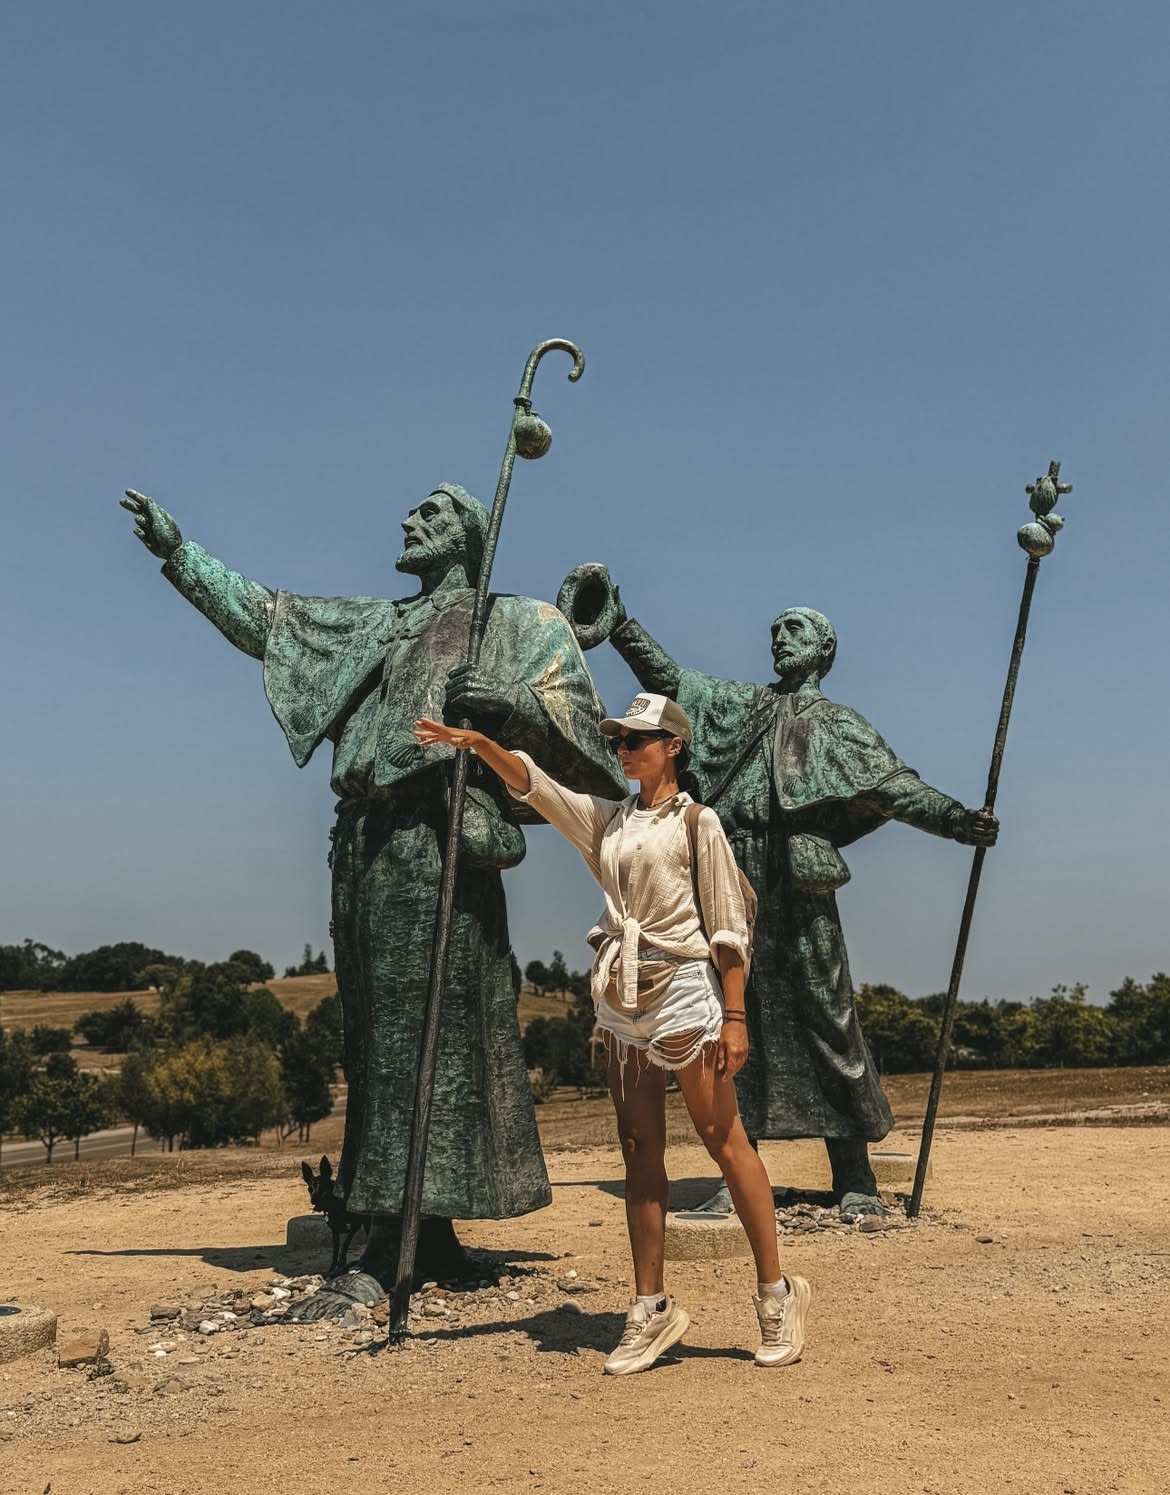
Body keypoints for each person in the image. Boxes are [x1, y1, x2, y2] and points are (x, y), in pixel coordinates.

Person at [120, 484, 623, 1311]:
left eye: (432, 512)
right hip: (364, 843)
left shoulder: (518, 623)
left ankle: (391, 1239)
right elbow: (268, 620)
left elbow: (592, 754)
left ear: (468, 536)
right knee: (376, 1040)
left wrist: (512, 708)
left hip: (436, 838)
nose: (408, 520)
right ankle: (426, 1226)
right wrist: (182, 555)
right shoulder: (375, 624)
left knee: (418, 1035)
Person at [559, 568, 997, 1217]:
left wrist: (958, 821)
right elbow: (674, 681)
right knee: (730, 1020)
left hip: (799, 880)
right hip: (733, 876)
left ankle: (854, 1172)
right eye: (775, 630)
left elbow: (898, 790)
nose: (779, 638)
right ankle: (740, 1171)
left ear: (824, 648)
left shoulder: (838, 724)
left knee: (827, 1016)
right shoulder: (745, 706)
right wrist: (620, 625)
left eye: (794, 629)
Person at [414, 691, 812, 1373]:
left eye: (637, 738)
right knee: (638, 1148)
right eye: (619, 740)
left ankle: (776, 1293)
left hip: (684, 991)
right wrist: (479, 746)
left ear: (673, 746)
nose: (624, 749)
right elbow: (540, 789)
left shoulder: (700, 823)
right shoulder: (611, 821)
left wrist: (736, 1015)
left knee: (723, 1138)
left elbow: (727, 926)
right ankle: (650, 1308)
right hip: (621, 998)